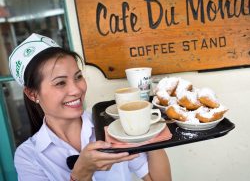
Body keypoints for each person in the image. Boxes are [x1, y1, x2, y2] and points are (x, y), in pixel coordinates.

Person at [9, 33, 172, 181]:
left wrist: (149, 130)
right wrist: (82, 173)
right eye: (60, 83)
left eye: (78, 77)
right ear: (32, 94)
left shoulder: (112, 127)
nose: (76, 90)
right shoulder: (28, 156)